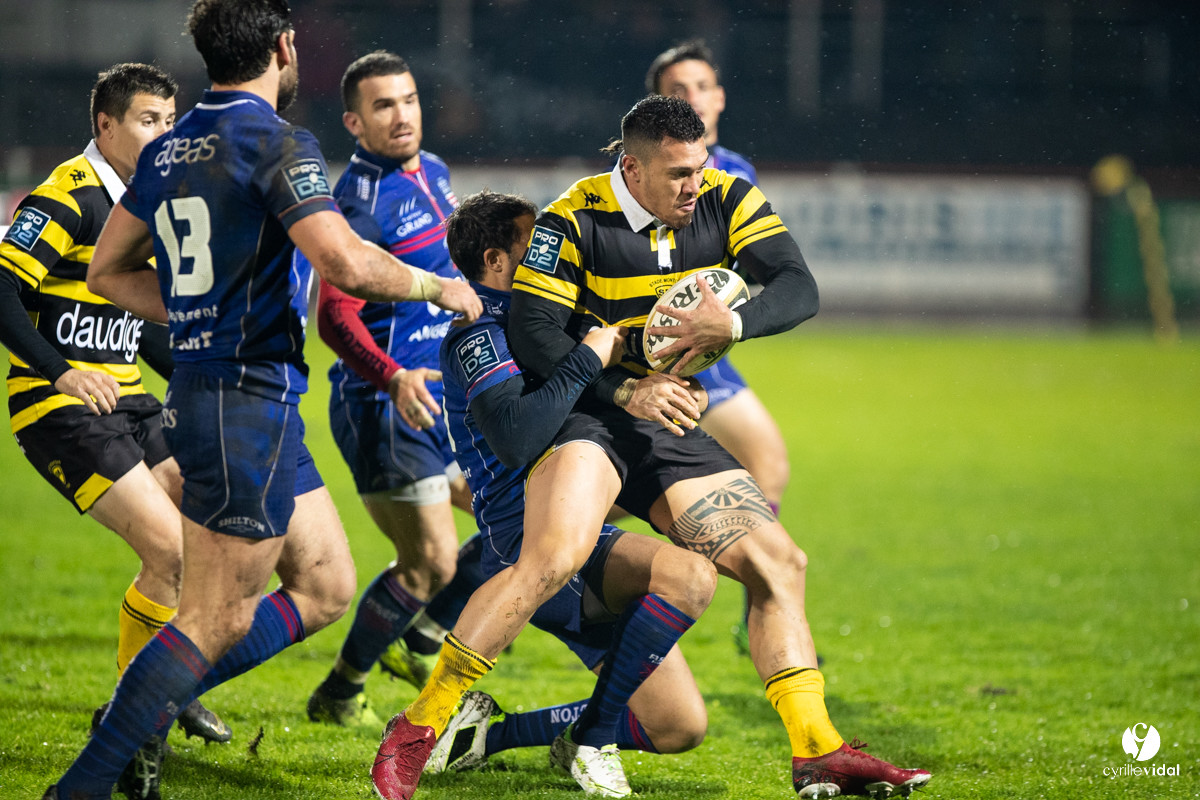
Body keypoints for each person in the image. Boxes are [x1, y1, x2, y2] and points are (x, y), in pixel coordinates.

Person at [43, 1, 479, 798]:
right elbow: (342, 263)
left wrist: (198, 312)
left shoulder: (172, 146)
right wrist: (437, 286)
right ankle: (91, 773)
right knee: (216, 617)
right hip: (243, 399)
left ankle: (141, 717)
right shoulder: (277, 140)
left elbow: (106, 271)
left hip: (227, 395)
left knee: (325, 586)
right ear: (283, 46)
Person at [500, 95, 931, 799]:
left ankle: (816, 751)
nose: (693, 185)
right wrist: (622, 391)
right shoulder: (570, 219)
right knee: (546, 563)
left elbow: (798, 286)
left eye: (698, 168)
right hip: (586, 419)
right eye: (676, 174)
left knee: (778, 563)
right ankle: (429, 719)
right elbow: (533, 335)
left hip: (663, 423)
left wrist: (734, 326)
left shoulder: (724, 196)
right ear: (630, 167)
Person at [371, 191, 718, 800]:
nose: (555, 259)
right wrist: (587, 359)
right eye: (537, 246)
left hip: (583, 528)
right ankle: (417, 726)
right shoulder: (478, 334)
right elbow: (516, 436)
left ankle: (495, 736)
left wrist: (675, 393)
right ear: (496, 261)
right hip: (523, 534)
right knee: (566, 558)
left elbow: (614, 393)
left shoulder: (553, 320)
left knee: (679, 720)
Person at [0, 62, 231, 798]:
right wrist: (59, 373)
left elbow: (131, 330)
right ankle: (135, 730)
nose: (165, 132)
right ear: (106, 125)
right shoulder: (69, 194)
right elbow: (3, 289)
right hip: (61, 408)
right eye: (148, 121)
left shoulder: (148, 202)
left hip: (126, 400)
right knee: (169, 551)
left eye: (171, 120)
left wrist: (205, 369)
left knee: (211, 539)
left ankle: (156, 685)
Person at [303, 50, 475, 728]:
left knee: (512, 520)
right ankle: (341, 692)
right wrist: (391, 375)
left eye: (408, 99)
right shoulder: (359, 206)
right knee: (428, 563)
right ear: (354, 121)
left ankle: (423, 639)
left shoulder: (431, 171)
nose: (402, 115)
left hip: (445, 397)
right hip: (387, 404)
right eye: (383, 105)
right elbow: (334, 316)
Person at [646, 40, 790, 655]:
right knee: (631, 491)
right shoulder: (646, 169)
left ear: (720, 95)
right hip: (655, 351)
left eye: (700, 86)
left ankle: (759, 603)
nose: (692, 97)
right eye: (677, 89)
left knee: (768, 468)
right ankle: (507, 555)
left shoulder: (735, 170)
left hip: (710, 349)